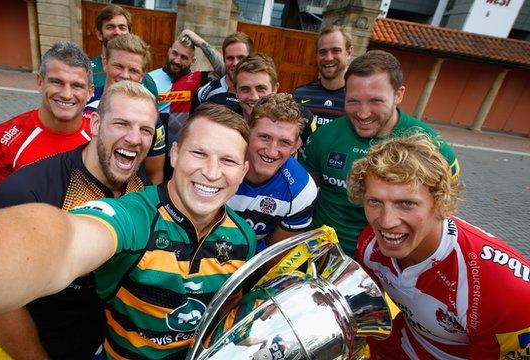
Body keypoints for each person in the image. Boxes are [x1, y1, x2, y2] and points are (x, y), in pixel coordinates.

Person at [0, 103, 256, 359]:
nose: (211, 172)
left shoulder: (244, 237)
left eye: (227, 160)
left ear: (243, 171)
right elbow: (63, 240)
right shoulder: (135, 215)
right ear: (174, 154)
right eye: (199, 154)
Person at [0, 81, 156, 359]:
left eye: (145, 129)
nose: (135, 138)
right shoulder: (28, 192)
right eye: (122, 124)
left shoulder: (139, 183)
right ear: (96, 124)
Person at [348, 133, 530, 359]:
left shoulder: (504, 290)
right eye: (375, 201)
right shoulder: (370, 244)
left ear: (442, 203)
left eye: (407, 203)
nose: (386, 222)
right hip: (398, 345)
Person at [300, 50, 460, 257]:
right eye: (353, 101)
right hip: (321, 252)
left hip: (388, 262)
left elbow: (443, 210)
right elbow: (304, 196)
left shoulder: (432, 148)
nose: (363, 113)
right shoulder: (324, 137)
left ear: (398, 95)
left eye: (376, 101)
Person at [0, 41, 93, 208]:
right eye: (57, 82)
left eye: (77, 86)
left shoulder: (100, 138)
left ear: (90, 92)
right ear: (40, 82)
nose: (67, 94)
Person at [227, 93, 317, 253]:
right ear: (247, 132)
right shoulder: (219, 163)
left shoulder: (301, 189)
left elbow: (273, 256)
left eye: (284, 142)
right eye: (264, 137)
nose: (271, 151)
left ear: (296, 145)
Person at [86, 33, 166, 184]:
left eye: (134, 71)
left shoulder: (152, 119)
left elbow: (155, 173)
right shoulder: (83, 103)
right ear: (105, 63)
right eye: (118, 66)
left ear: (142, 76)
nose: (125, 75)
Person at [148, 31, 223, 155]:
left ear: (193, 61)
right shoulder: (149, 78)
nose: (177, 61)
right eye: (175, 54)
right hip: (153, 151)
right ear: (168, 51)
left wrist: (200, 42)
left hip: (182, 152)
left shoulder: (198, 79)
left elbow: (228, 72)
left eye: (184, 57)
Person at [234, 53, 315, 145]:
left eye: (261, 89)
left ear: (275, 89)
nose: (254, 97)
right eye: (245, 89)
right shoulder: (227, 122)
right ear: (235, 91)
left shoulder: (302, 119)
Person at [89, 4, 158, 103]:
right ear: (100, 34)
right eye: (110, 27)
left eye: (122, 28)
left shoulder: (147, 80)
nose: (117, 32)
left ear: (129, 33)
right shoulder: (86, 71)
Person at [293, 25, 351, 128]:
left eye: (336, 50)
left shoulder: (358, 99)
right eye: (323, 52)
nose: (329, 58)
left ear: (348, 53)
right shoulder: (299, 95)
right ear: (316, 56)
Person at [194, 31, 253, 113]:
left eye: (241, 57)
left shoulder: (258, 96)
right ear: (224, 60)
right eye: (230, 58)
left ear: (250, 59)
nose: (235, 63)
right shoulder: (205, 92)